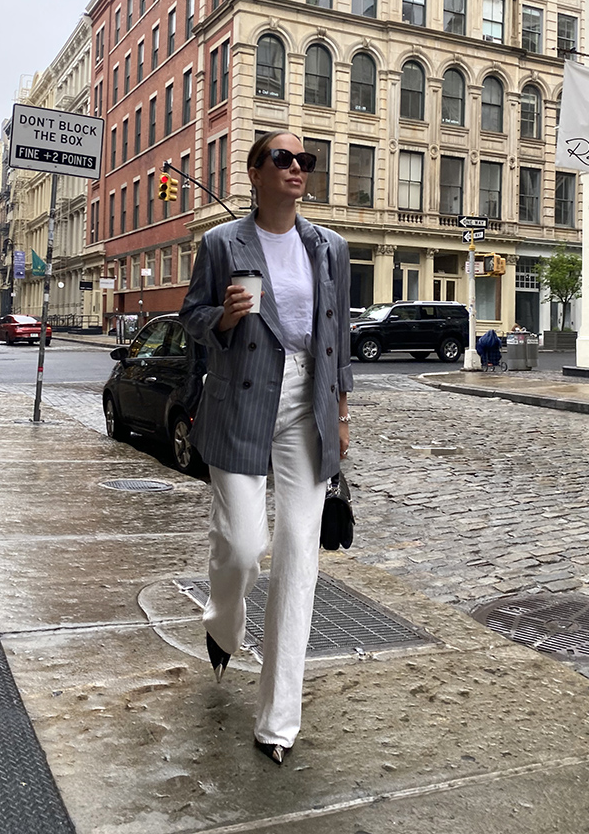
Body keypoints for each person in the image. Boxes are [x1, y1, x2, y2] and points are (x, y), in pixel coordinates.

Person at [179, 130, 352, 765]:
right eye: (282, 158)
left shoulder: (330, 247)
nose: (297, 168)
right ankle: (223, 621)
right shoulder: (222, 243)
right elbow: (191, 318)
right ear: (253, 171)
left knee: (298, 558)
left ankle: (279, 720)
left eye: (305, 160)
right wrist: (223, 317)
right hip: (241, 401)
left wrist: (338, 410)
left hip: (307, 401)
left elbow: (337, 336)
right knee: (244, 545)